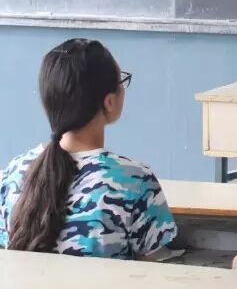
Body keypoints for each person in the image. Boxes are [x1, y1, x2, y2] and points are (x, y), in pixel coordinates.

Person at [0, 38, 177, 259]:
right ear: (109, 102)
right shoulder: (135, 181)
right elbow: (154, 265)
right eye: (121, 80)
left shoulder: (13, 173)